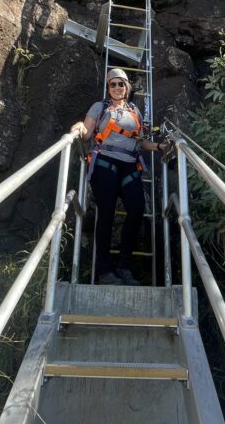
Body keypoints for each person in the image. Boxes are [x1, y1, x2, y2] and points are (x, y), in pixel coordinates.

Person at [71, 67, 167, 285]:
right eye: (112, 84)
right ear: (108, 87)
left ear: (127, 87)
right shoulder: (100, 107)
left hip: (130, 164)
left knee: (137, 209)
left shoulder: (135, 111)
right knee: (106, 213)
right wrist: (78, 127)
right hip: (105, 161)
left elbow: (139, 142)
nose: (116, 87)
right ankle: (105, 271)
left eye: (120, 84)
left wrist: (160, 146)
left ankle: (124, 267)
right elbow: (86, 132)